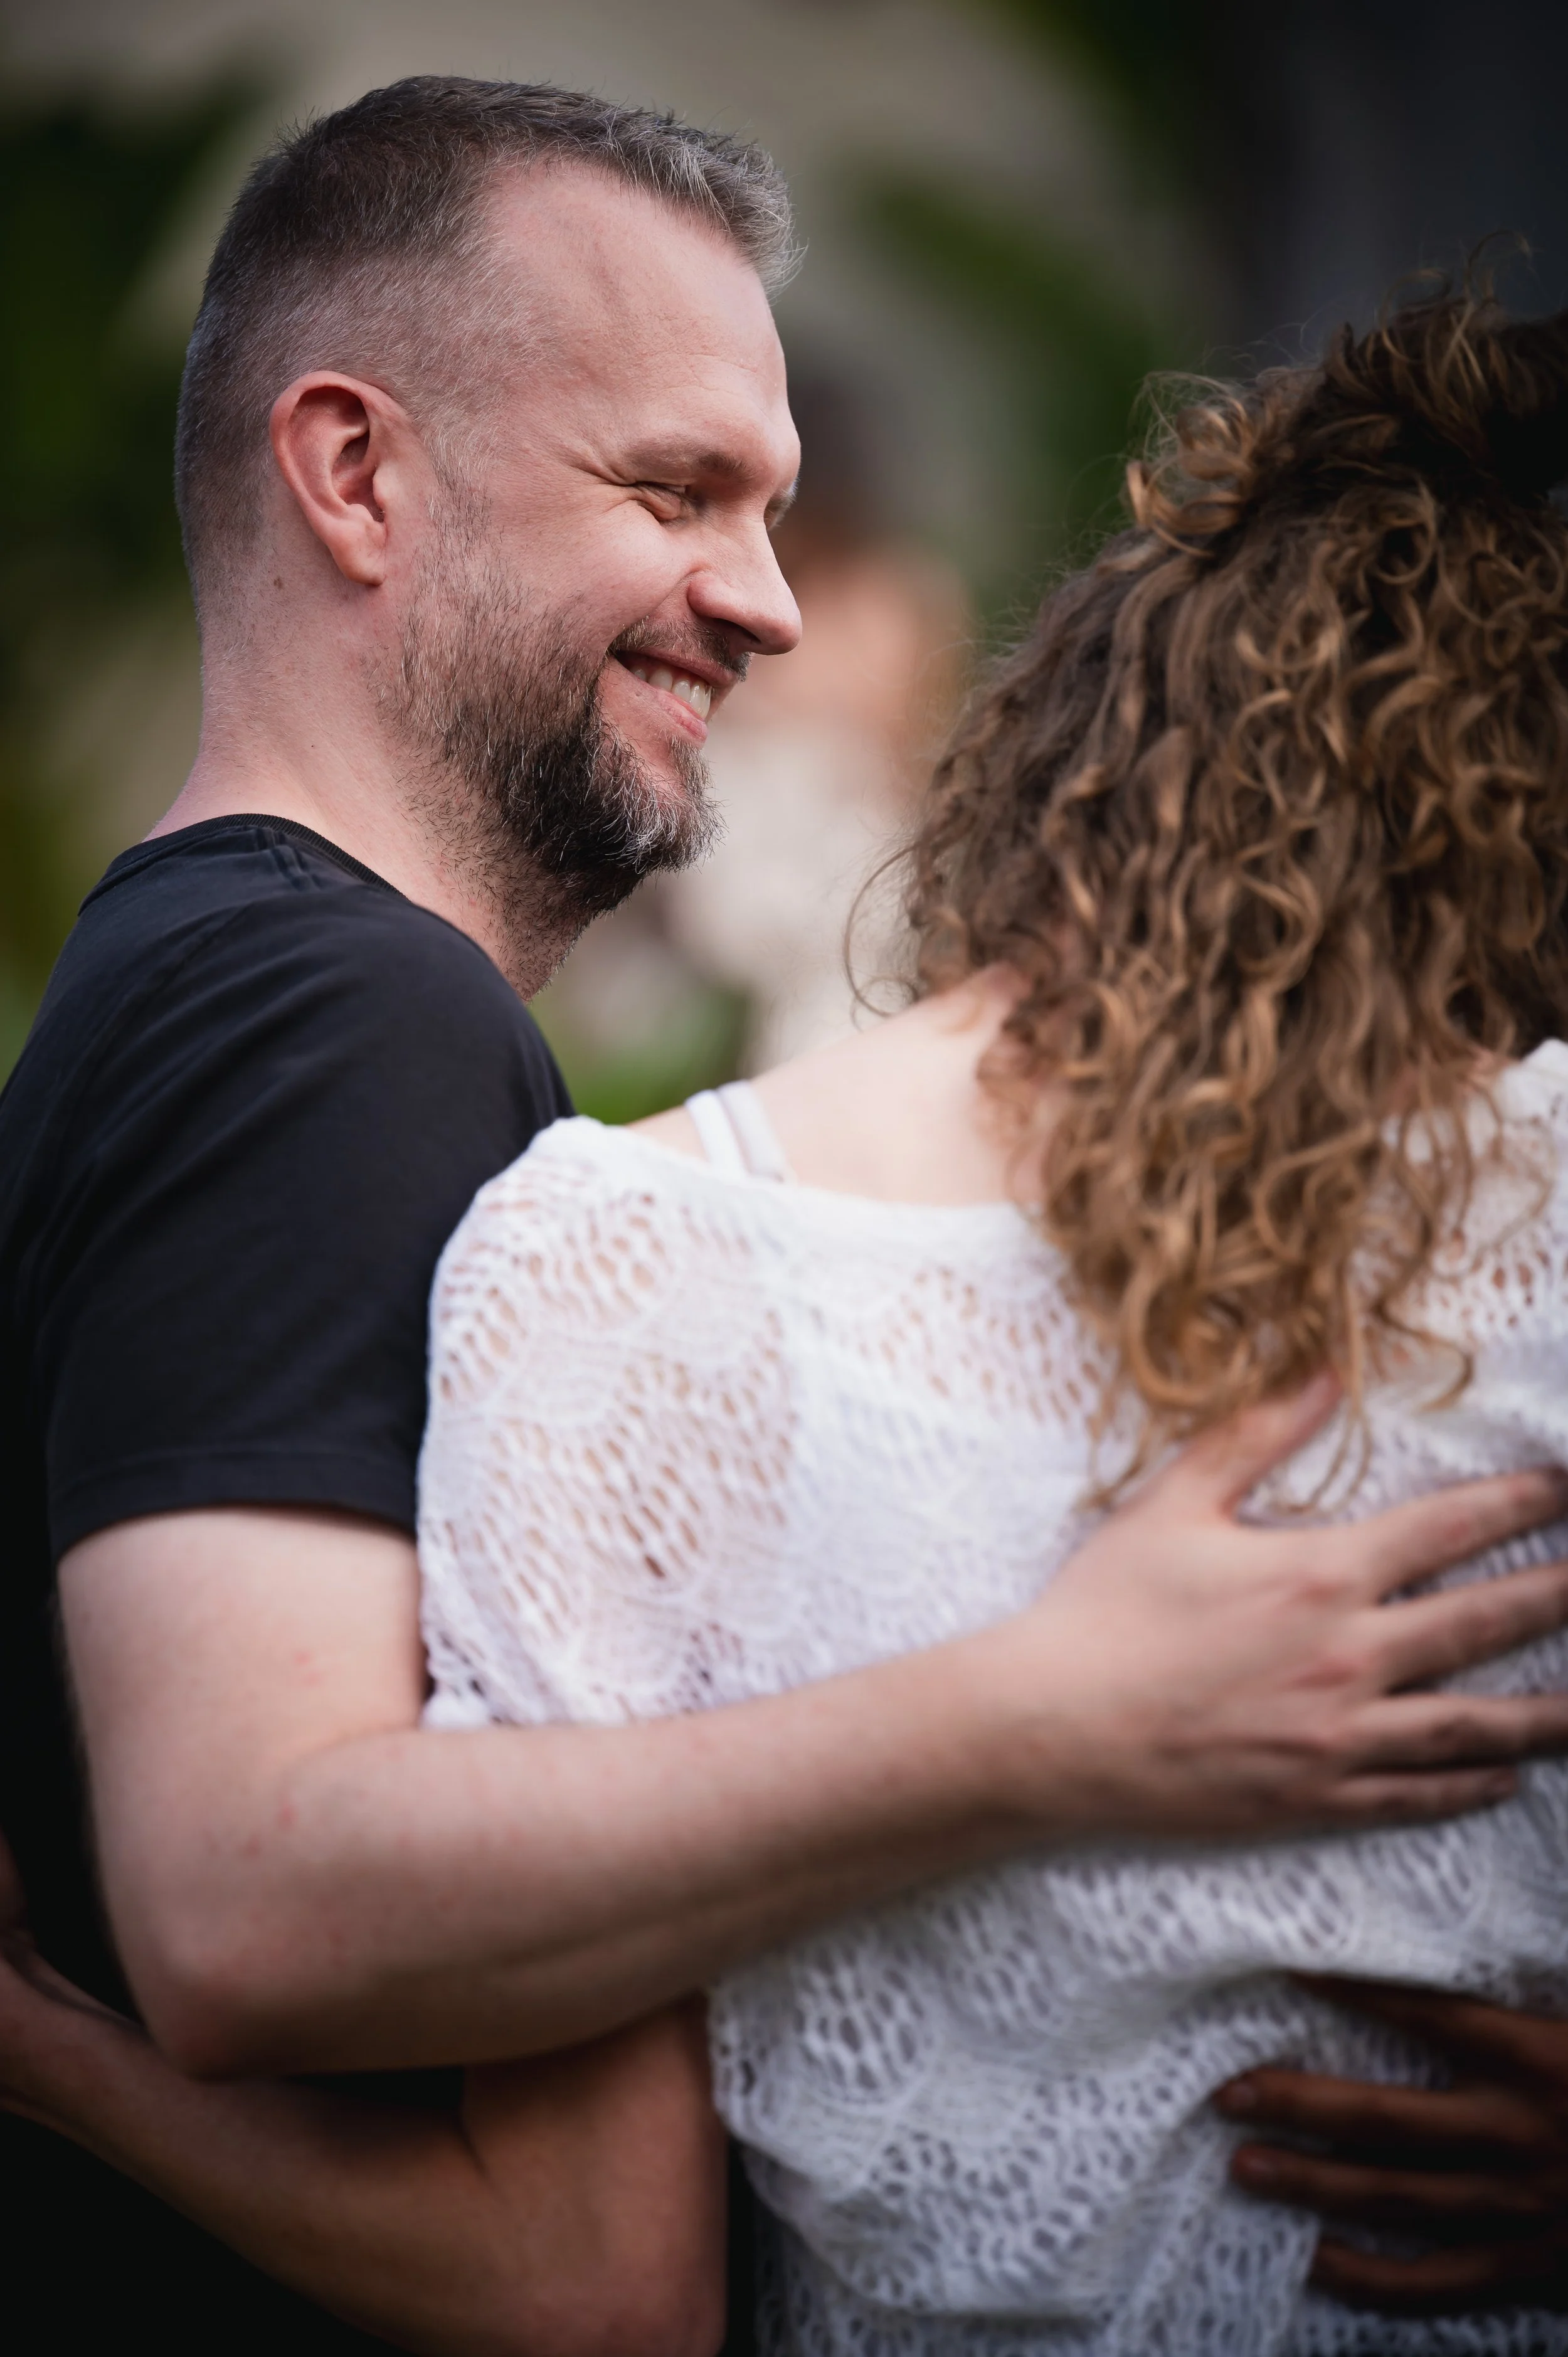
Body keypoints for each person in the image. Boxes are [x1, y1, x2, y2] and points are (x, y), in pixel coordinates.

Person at [2, 75, 1567, 2356]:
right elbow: (275, 1918)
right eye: (672, 491)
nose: (760, 603)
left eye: (775, 511)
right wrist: (1048, 1713)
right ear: (354, 471)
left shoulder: (211, 986)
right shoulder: (344, 1022)